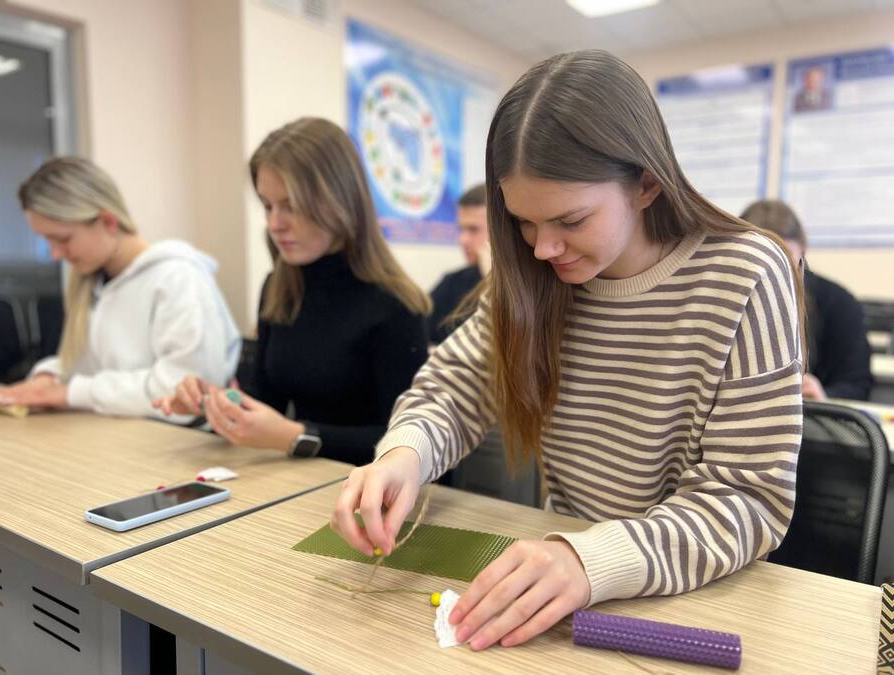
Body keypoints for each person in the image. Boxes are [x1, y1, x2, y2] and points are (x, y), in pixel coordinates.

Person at [331, 50, 805, 651]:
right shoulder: (532, 275)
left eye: (570, 220)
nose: (542, 249)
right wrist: (402, 456)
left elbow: (749, 499)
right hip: (562, 576)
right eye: (524, 223)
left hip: (690, 594)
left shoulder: (745, 272)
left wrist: (589, 561)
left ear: (647, 183)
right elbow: (452, 390)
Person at [155, 118, 431, 465]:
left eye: (292, 206)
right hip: (295, 480)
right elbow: (263, 403)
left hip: (368, 495)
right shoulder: (279, 287)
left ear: (340, 201)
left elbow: (409, 443)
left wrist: (295, 435)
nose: (274, 224)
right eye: (268, 205)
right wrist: (214, 402)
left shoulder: (395, 305)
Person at [0, 157, 240, 419]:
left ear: (108, 222)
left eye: (63, 239)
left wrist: (66, 394)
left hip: (175, 440)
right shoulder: (96, 282)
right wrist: (49, 376)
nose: (55, 254)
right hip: (115, 433)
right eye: (47, 241)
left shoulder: (178, 277)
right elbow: (88, 366)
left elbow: (184, 391)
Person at [741, 199, 872, 400]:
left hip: (815, 422)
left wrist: (824, 395)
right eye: (759, 262)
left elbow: (857, 384)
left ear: (803, 248)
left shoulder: (839, 303)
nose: (775, 274)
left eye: (785, 259)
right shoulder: (725, 304)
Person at [427, 184, 489, 343]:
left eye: (473, 229)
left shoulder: (528, 286)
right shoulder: (452, 282)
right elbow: (418, 337)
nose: (463, 239)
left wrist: (491, 280)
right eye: (461, 229)